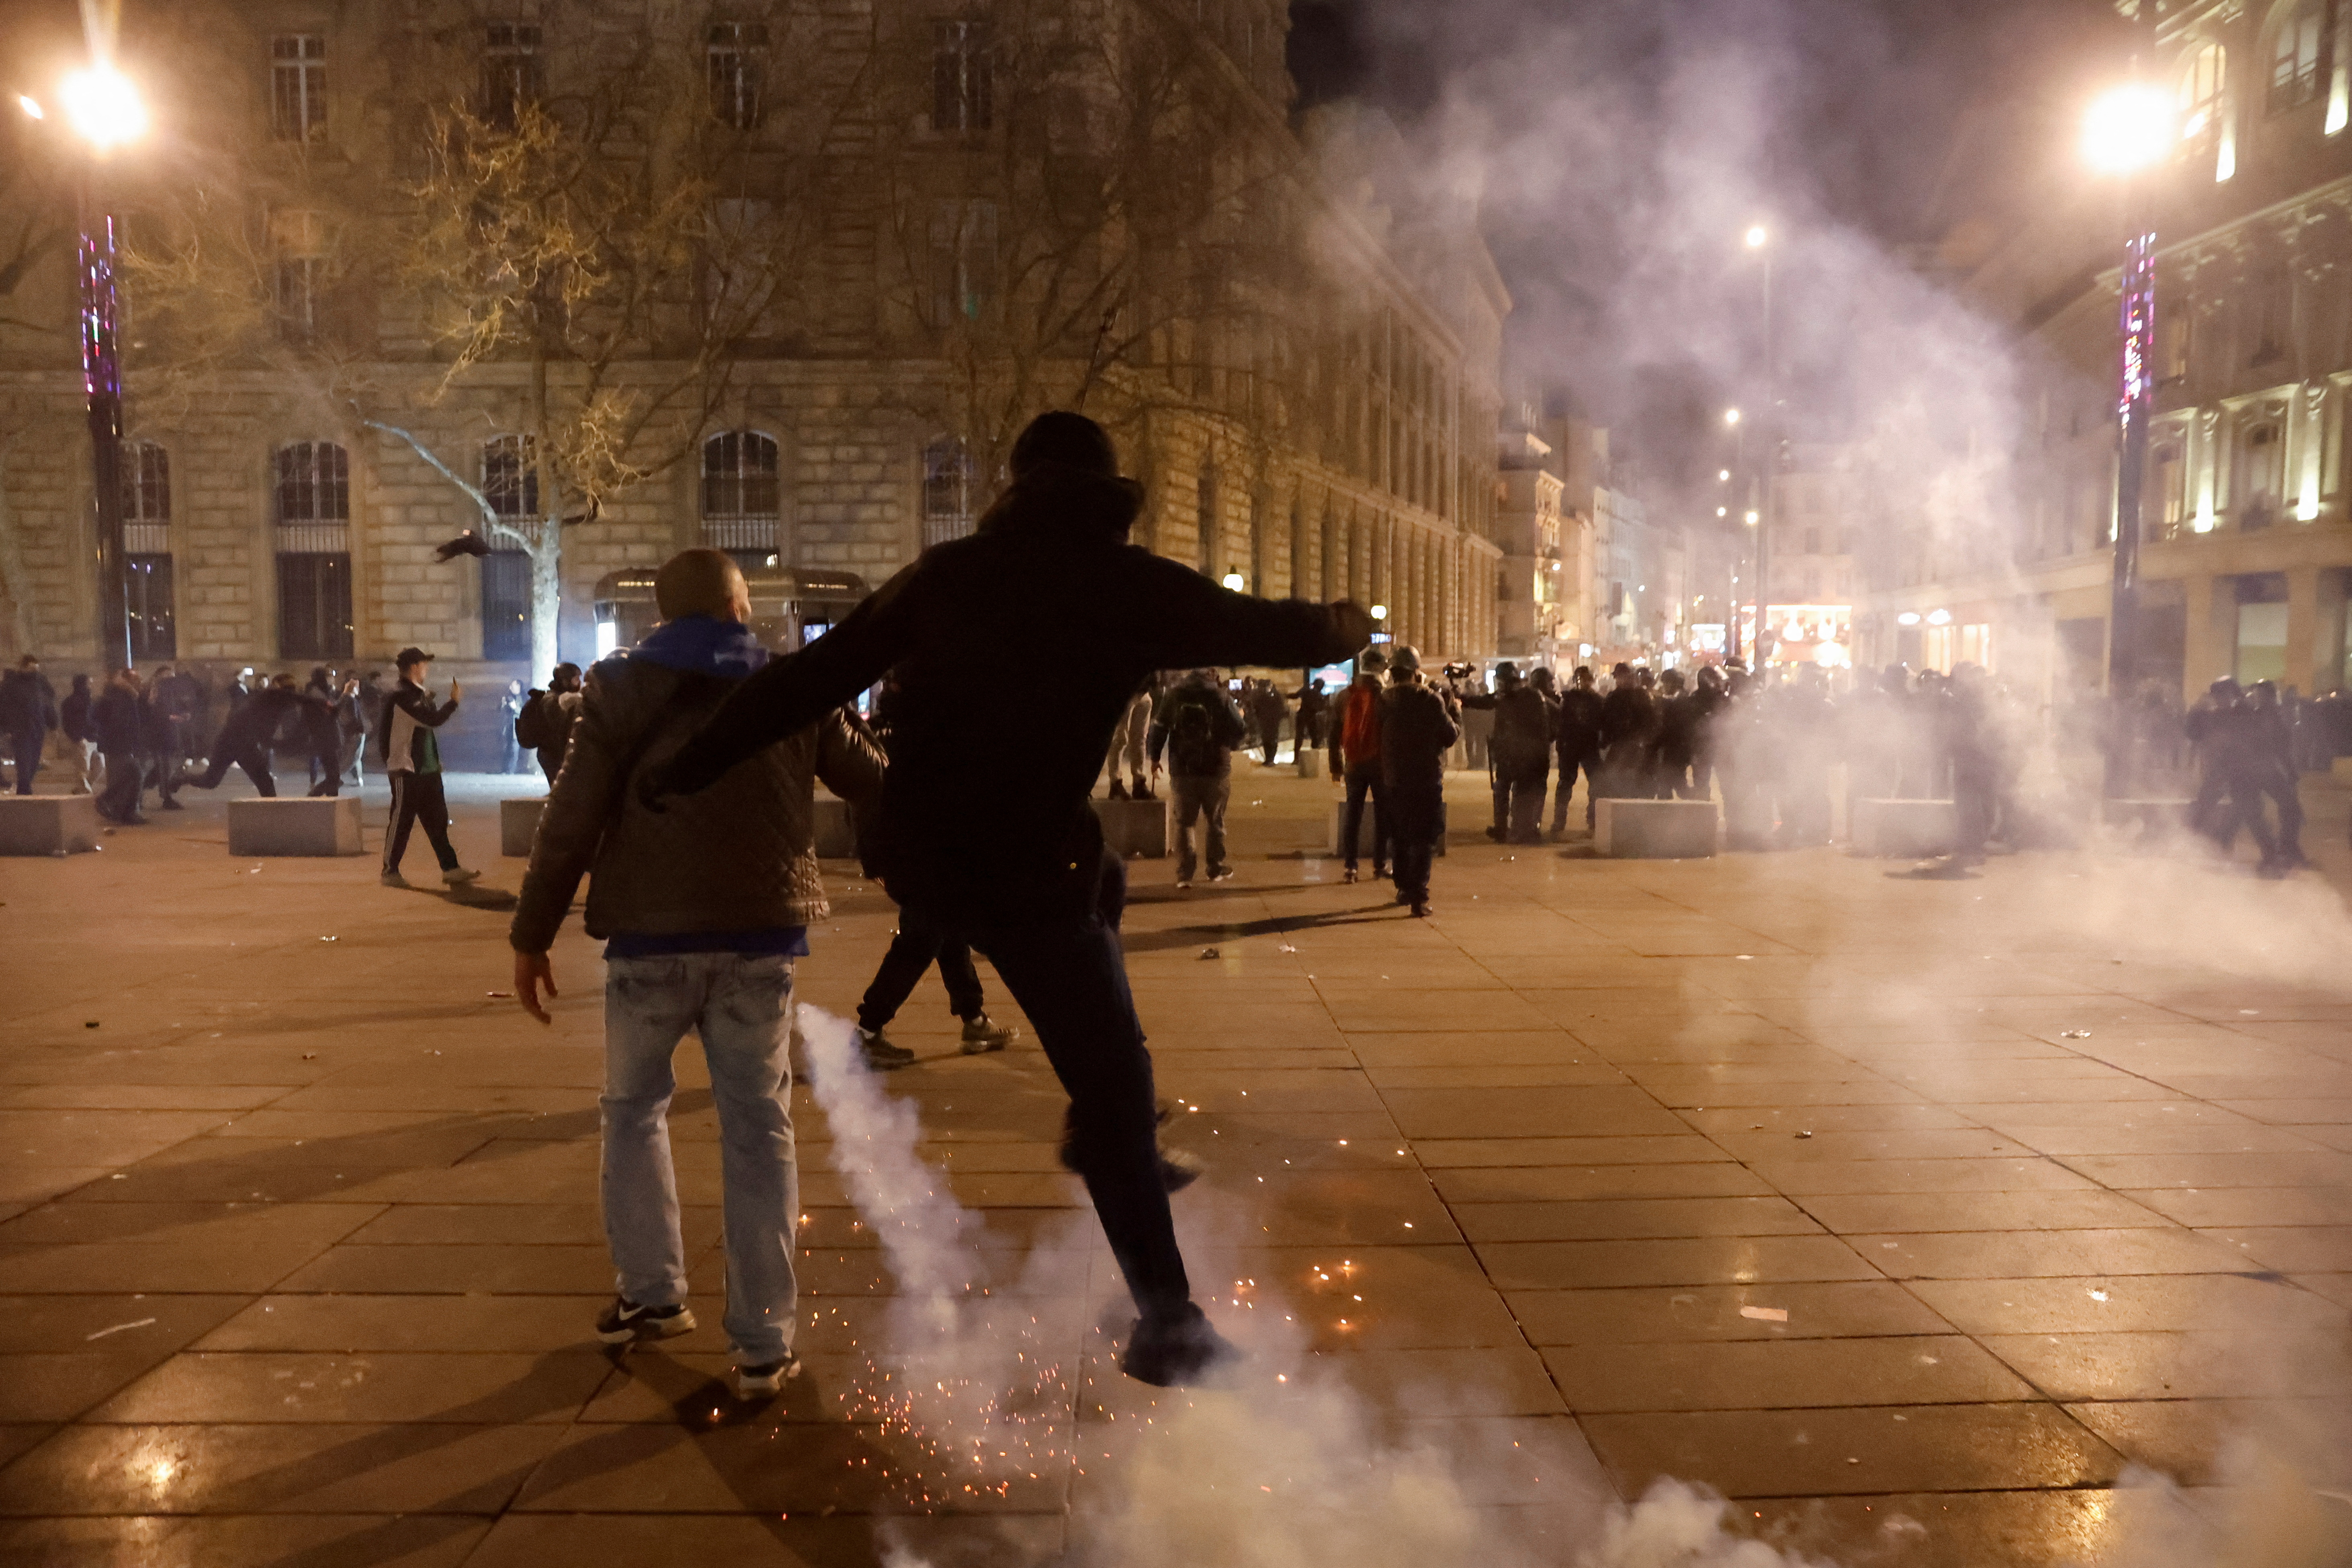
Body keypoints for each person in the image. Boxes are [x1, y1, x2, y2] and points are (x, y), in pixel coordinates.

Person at [642, 410, 1369, 1386]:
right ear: (1106, 496)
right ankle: (1166, 1318)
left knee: (1102, 870)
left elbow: (807, 681)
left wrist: (691, 764)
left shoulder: (948, 575)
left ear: (1019, 487)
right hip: (1018, 867)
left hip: (926, 851)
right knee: (1114, 1083)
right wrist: (1341, 624)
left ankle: (1111, 1135)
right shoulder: (1127, 585)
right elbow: (1266, 630)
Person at [512, 548, 883, 1399]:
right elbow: (872, 781)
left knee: (633, 1111)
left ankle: (652, 1295)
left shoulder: (615, 686)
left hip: (649, 941)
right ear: (733, 603)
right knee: (759, 1131)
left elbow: (569, 819)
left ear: (660, 614)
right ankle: (762, 1343)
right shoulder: (790, 682)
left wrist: (532, 932)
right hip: (760, 939)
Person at [380, 647, 478, 888]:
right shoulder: (401, 695)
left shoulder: (416, 694)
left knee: (437, 821)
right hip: (407, 769)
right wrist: (453, 702)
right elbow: (431, 720)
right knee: (401, 821)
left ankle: (451, 868)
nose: (426, 670)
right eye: (424, 666)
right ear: (415, 667)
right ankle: (389, 871)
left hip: (427, 770)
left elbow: (425, 726)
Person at [1148, 667, 1248, 889]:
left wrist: (1155, 758)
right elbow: (1240, 728)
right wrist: (1232, 739)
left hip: (1183, 768)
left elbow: (1159, 728)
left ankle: (1185, 874)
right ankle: (1215, 868)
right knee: (1215, 821)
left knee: (1184, 822)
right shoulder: (1220, 696)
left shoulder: (1175, 695)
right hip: (1216, 769)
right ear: (1212, 675)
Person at [1379, 645, 1456, 917]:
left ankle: (1402, 887)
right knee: (1423, 839)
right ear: (1416, 672)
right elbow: (1450, 736)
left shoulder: (1383, 701)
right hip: (1426, 777)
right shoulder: (1430, 700)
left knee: (1399, 836)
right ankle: (1418, 897)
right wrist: (1453, 710)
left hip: (1394, 778)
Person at [1462, 661, 1550, 843]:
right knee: (1501, 790)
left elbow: (1541, 728)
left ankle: (1521, 828)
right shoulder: (1505, 697)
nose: (1501, 686)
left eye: (1503, 682)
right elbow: (1483, 702)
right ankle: (1502, 828)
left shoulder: (1531, 697)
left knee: (1519, 793)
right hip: (1507, 755)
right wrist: (1460, 696)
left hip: (1524, 756)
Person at [189, 675, 303, 796]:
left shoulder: (278, 705)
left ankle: (272, 813)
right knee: (210, 781)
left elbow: (266, 736)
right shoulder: (263, 699)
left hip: (245, 745)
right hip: (232, 743)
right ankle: (180, 779)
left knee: (265, 783)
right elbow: (264, 736)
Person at [1331, 648, 1389, 882]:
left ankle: (1351, 868)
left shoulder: (1345, 695)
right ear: (1382, 670)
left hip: (1354, 762)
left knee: (1353, 814)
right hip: (1381, 763)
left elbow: (1334, 732)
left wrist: (1336, 765)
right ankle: (1380, 865)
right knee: (1383, 814)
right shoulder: (1386, 695)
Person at [2246, 680, 2306, 869]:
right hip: (2265, 771)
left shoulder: (2261, 716)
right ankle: (2283, 849)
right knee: (2290, 810)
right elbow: (2280, 748)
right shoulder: (2270, 718)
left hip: (2262, 771)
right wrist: (2291, 771)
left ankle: (2283, 848)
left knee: (2287, 810)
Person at [1553, 666, 1604, 834]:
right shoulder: (1569, 698)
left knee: (1596, 784)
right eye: (1580, 679)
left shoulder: (1597, 700)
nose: (1583, 683)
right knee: (1566, 784)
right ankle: (1559, 822)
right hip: (1572, 746)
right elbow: (1562, 722)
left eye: (1586, 679)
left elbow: (1601, 724)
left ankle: (1593, 821)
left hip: (1589, 745)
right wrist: (1561, 744)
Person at [93, 666, 148, 824]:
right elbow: (121, 721)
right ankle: (109, 802)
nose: (140, 683)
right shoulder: (122, 696)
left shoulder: (125, 696)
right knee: (133, 774)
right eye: (137, 680)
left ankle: (124, 811)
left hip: (121, 743)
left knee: (130, 775)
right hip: (120, 743)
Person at [517, 663, 586, 783]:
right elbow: (559, 730)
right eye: (576, 680)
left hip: (555, 755)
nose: (579, 683)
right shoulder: (553, 701)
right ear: (566, 681)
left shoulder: (557, 698)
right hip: (553, 755)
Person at [1, 654, 59, 795]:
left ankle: (25, 783)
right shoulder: (12, 684)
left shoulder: (41, 682)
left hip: (37, 728)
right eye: (32, 667)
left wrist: (53, 723)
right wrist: (6, 728)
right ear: (24, 667)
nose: (35, 671)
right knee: (23, 758)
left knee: (34, 759)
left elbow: (48, 704)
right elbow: (4, 707)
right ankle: (24, 786)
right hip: (19, 729)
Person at [1103, 678, 1156, 800]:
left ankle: (1139, 784)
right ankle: (1115, 782)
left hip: (1143, 691)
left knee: (1140, 740)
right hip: (1127, 691)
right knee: (1120, 738)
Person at [60, 673, 98, 793]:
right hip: (81, 739)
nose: (91, 686)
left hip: (94, 738)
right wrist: (77, 737)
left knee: (99, 766)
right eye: (89, 683)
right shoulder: (71, 702)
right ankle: (85, 791)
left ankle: (84, 788)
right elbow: (68, 722)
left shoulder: (91, 700)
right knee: (83, 768)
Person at [1250, 680, 1289, 767]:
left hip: (1270, 721)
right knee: (1269, 740)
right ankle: (1269, 759)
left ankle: (1270, 759)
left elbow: (1257, 708)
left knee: (1270, 740)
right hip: (1269, 721)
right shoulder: (1269, 696)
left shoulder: (1271, 696)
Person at [500, 680, 530, 774]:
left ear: (519, 686)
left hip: (518, 729)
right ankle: (505, 770)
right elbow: (502, 714)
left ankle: (511, 771)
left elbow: (525, 714)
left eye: (513, 686)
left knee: (515, 750)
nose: (510, 688)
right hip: (508, 729)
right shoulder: (509, 697)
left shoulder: (525, 698)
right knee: (506, 749)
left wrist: (515, 707)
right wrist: (503, 705)